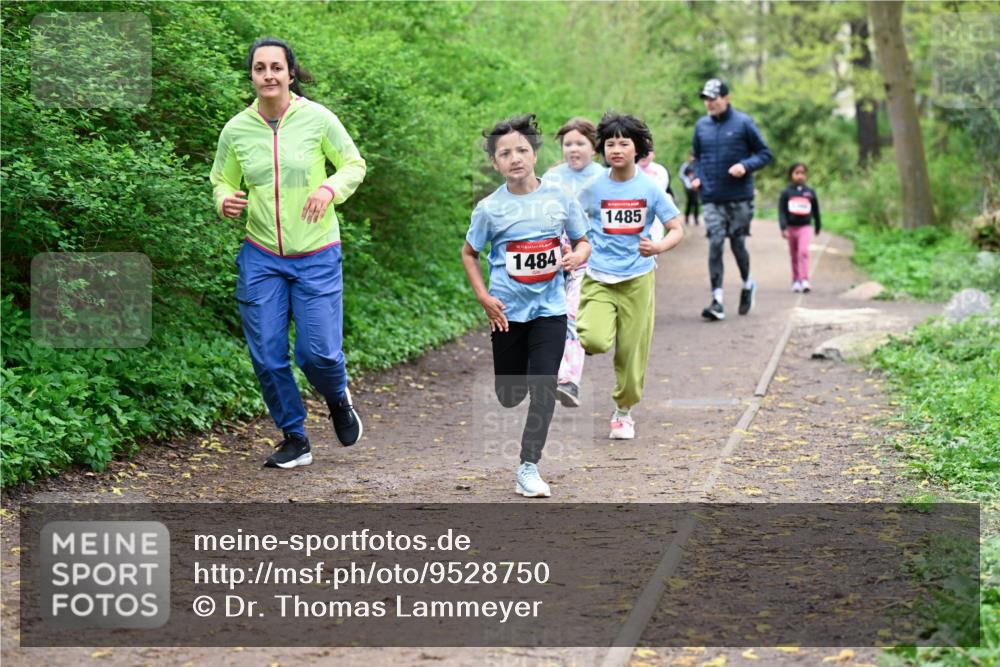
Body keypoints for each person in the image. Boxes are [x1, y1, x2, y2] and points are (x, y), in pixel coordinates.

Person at [210, 37, 366, 469]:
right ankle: (294, 436)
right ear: (251, 76)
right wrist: (223, 200)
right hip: (261, 254)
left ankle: (337, 397)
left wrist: (329, 188)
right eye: (260, 68)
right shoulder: (237, 130)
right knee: (267, 354)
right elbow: (221, 179)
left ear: (290, 73)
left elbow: (353, 164)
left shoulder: (318, 119)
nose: (268, 75)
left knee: (318, 354)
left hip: (316, 252)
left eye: (276, 67)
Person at [462, 114, 591, 498]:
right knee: (510, 395)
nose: (515, 158)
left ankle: (528, 466)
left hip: (550, 310)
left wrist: (576, 257)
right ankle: (516, 388)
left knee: (544, 385)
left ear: (535, 154)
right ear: (495, 163)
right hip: (507, 314)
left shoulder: (559, 198)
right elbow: (470, 253)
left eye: (522, 150)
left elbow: (583, 241)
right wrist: (483, 296)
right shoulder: (489, 209)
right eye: (505, 153)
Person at [576, 112, 684, 440]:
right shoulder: (593, 188)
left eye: (624, 143)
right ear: (602, 149)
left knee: (631, 352)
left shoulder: (650, 189)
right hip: (599, 276)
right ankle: (592, 335)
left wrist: (658, 247)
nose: (617, 149)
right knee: (594, 339)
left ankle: (623, 412)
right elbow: (572, 223)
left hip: (638, 278)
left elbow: (676, 228)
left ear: (638, 148)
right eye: (610, 144)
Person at [691, 78, 772, 321]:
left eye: (713, 98)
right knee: (715, 243)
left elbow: (764, 153)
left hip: (739, 197)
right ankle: (717, 300)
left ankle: (747, 283)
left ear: (726, 99)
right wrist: (698, 177)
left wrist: (745, 166)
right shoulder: (701, 126)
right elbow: (697, 158)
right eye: (706, 99)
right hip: (711, 197)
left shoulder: (743, 123)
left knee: (737, 244)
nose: (709, 103)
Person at [542, 118, 603, 408]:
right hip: (554, 259)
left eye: (580, 143)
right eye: (568, 144)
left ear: (594, 147)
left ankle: (568, 380)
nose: (573, 149)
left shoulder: (604, 177)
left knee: (570, 314)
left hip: (590, 258)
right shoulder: (551, 177)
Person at [778, 162, 822, 293]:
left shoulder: (810, 192)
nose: (800, 176)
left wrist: (818, 225)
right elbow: (782, 212)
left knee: (803, 252)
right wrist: (783, 228)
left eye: (802, 173)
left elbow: (816, 210)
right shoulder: (786, 192)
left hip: (805, 227)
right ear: (791, 175)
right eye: (797, 173)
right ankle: (796, 280)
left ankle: (804, 279)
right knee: (794, 254)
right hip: (791, 227)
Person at [678, 152, 700, 225]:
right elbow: (681, 175)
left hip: (696, 186)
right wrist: (687, 181)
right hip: (688, 187)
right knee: (690, 202)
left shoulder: (697, 165)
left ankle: (696, 219)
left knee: (696, 202)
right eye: (691, 156)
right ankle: (687, 218)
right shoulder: (686, 165)